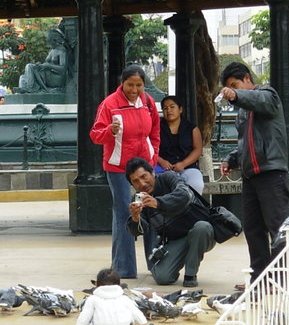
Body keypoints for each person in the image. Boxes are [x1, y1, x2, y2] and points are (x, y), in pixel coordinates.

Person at [219, 62, 289, 289]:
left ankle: (279, 279)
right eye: (229, 88)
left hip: (271, 172)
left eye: (234, 84)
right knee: (253, 229)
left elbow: (261, 102)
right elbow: (244, 144)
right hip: (251, 176)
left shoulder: (268, 95)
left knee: (277, 228)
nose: (232, 91)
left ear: (247, 79)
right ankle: (259, 279)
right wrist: (231, 159)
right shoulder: (243, 112)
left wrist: (236, 95)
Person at [90, 65, 161, 279]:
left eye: (139, 85)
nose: (134, 89)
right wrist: (108, 132)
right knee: (124, 212)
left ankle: (156, 263)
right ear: (122, 83)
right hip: (118, 167)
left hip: (143, 167)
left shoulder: (147, 102)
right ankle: (124, 268)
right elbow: (95, 135)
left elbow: (155, 131)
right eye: (130, 84)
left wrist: (153, 157)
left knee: (150, 209)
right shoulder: (110, 104)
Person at [125, 157, 215, 288]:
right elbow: (139, 230)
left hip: (203, 233)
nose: (142, 183)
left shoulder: (169, 177)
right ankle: (185, 255)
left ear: (153, 173)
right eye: (136, 181)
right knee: (162, 277)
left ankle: (190, 274)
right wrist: (135, 218)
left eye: (144, 176)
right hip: (176, 240)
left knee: (201, 227)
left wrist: (158, 203)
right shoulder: (139, 198)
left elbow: (184, 195)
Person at [73, 269, 149, 325]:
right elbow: (135, 312)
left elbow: (86, 313)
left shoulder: (92, 299)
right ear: (119, 285)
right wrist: (143, 323)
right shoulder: (124, 298)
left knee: (91, 319)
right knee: (130, 317)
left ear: (96, 284)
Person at [156, 95, 204, 194]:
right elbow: (149, 148)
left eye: (172, 107)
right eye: (165, 108)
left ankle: (192, 208)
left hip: (188, 167)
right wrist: (161, 161)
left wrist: (183, 164)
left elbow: (198, 150)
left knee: (196, 185)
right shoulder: (156, 129)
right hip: (164, 168)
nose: (169, 110)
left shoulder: (191, 128)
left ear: (180, 109)